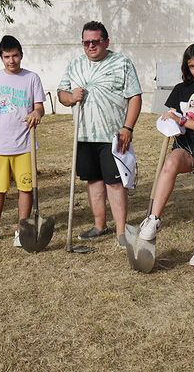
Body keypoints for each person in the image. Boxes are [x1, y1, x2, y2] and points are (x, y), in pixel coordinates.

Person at [57, 21, 142, 248]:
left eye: (95, 41)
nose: (91, 46)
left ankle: (121, 231)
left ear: (106, 41)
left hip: (112, 135)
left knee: (115, 183)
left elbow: (135, 96)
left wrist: (128, 127)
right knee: (93, 180)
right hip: (84, 135)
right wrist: (70, 97)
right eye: (86, 42)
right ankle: (99, 225)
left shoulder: (122, 63)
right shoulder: (75, 65)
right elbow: (61, 93)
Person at [137, 43, 194, 267]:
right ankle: (153, 219)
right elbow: (172, 114)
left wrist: (183, 120)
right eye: (192, 66)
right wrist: (169, 119)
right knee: (171, 162)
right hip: (185, 147)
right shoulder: (180, 89)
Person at [0, 35, 45, 246]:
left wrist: (37, 113)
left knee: (25, 188)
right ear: (1, 57)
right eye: (6, 57)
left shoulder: (32, 78)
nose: (11, 60)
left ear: (21, 55)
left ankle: (22, 231)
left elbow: (39, 106)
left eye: (15, 56)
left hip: (24, 145)